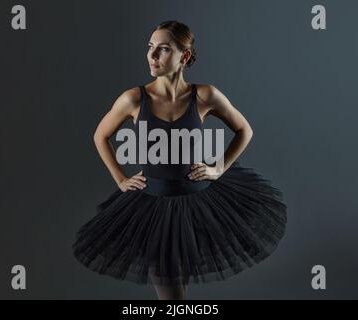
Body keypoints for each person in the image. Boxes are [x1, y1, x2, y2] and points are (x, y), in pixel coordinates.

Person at [72, 20, 287, 300]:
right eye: (150, 48)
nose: (152, 56)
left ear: (183, 56)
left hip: (197, 203)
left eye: (162, 49)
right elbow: (100, 136)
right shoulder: (134, 99)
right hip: (152, 208)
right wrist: (121, 179)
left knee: (178, 290)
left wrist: (219, 168)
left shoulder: (205, 95)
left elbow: (244, 130)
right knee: (171, 294)